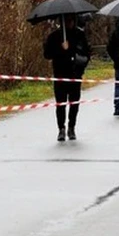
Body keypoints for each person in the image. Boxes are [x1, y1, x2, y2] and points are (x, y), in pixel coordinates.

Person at [43, 14, 91, 142]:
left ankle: (71, 127)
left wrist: (80, 65)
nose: (70, 23)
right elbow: (47, 54)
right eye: (67, 21)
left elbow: (86, 53)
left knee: (74, 103)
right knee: (61, 103)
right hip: (60, 74)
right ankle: (61, 128)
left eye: (71, 20)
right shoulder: (54, 37)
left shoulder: (80, 35)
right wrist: (61, 48)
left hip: (75, 75)